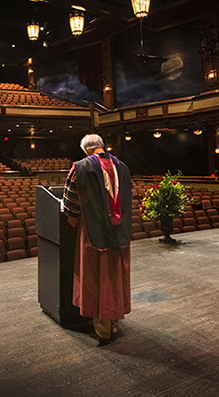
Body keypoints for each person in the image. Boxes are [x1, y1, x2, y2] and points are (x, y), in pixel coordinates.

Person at [63, 134, 132, 346]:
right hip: (119, 233)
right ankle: (113, 323)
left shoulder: (79, 167)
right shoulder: (123, 167)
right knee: (113, 276)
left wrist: (72, 220)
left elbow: (71, 204)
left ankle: (102, 329)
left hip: (92, 232)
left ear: (86, 150)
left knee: (97, 276)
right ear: (102, 147)